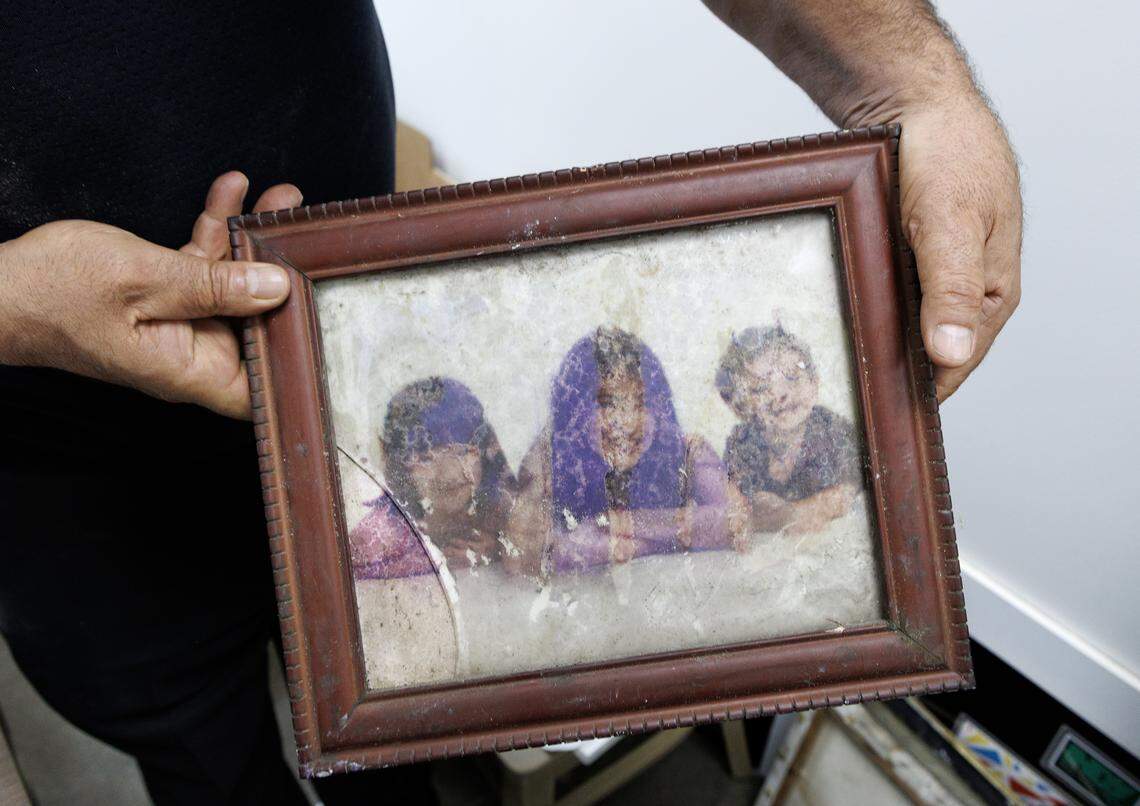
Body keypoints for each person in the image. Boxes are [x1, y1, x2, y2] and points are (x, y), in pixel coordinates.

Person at [0, 1, 1022, 803]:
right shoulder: (541, 461)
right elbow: (556, 533)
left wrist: (910, 86)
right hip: (52, 454)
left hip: (337, 349)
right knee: (198, 744)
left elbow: (712, 523)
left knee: (398, 713)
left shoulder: (665, 455)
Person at [505, 328, 747, 577]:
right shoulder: (550, 459)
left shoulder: (688, 452)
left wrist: (625, 525)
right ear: (576, 411)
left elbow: (736, 521)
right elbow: (520, 558)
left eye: (640, 403)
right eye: (607, 403)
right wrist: (662, 538)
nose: (626, 421)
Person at [348, 378, 514, 579]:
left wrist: (497, 550)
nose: (451, 473)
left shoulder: (501, 519)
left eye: (465, 452)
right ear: (400, 467)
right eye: (426, 458)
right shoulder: (376, 542)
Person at [718, 326, 863, 534]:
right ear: (743, 405)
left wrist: (790, 513)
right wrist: (741, 507)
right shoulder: (743, 441)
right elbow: (735, 500)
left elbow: (847, 493)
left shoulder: (834, 431)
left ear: (815, 383)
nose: (779, 394)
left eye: (793, 377)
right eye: (760, 388)